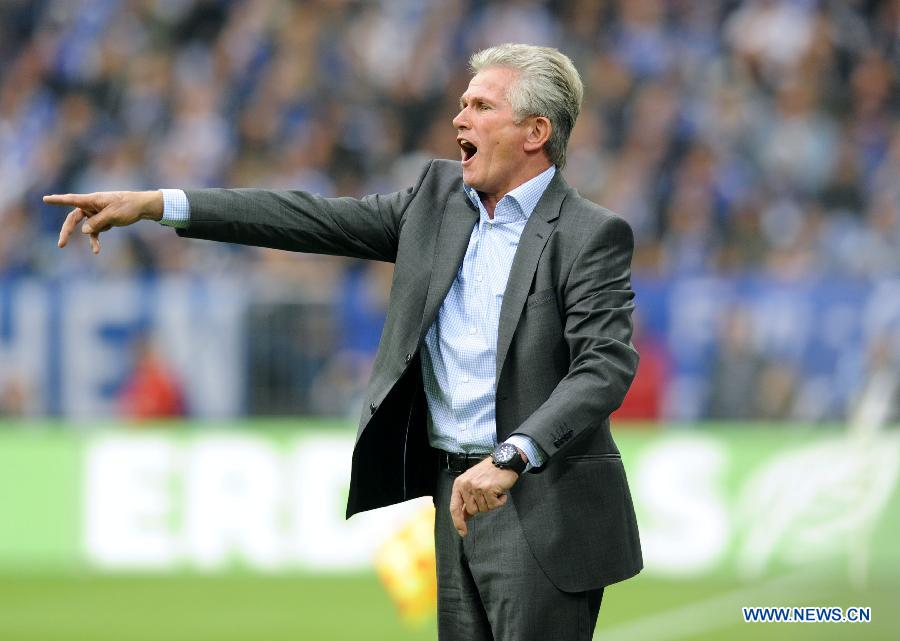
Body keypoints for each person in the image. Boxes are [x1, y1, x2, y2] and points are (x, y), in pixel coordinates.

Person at [46, 43, 642, 640]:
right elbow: (305, 217)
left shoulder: (590, 234)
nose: (459, 118)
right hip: (453, 497)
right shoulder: (436, 204)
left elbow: (604, 367)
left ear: (536, 131)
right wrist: (157, 204)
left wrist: (513, 454)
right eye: (462, 103)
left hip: (540, 504)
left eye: (481, 106)